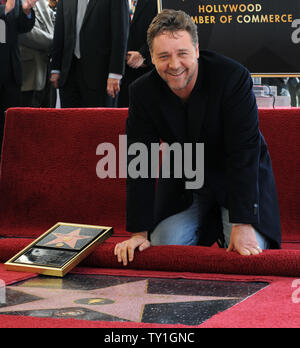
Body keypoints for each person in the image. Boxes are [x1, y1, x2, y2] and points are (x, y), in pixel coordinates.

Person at [114, 10, 281, 266]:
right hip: (185, 182)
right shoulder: (142, 92)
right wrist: (139, 232)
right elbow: (141, 162)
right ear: (151, 58)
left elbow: (244, 151)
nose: (174, 65)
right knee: (161, 249)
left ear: (197, 49)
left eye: (182, 53)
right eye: (163, 56)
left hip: (237, 181)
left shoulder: (233, 77)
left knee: (247, 254)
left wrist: (243, 222)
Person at [50, 0, 129, 108]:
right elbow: (59, 31)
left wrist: (115, 73)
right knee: (69, 122)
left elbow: (120, 34)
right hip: (69, 75)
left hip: (101, 77)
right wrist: (55, 68)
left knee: (98, 123)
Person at [0, 0, 37, 155]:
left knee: (9, 125)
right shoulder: (8, 4)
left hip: (11, 72)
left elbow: (22, 27)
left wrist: (26, 11)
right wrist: (5, 10)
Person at [118, 0, 157, 107]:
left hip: (146, 72)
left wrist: (144, 55)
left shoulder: (157, 2)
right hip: (115, 73)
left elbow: (163, 30)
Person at [19, 0, 55, 107]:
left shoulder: (42, 2)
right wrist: (55, 43)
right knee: (28, 121)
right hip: (27, 75)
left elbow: (53, 21)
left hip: (49, 73)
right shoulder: (10, 3)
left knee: (49, 119)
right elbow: (23, 33)